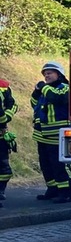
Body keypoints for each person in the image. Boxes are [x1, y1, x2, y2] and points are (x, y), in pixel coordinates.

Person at [31, 61, 71, 204]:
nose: (46, 75)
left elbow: (58, 98)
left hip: (58, 135)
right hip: (42, 135)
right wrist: (36, 92)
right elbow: (34, 104)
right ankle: (52, 189)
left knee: (59, 164)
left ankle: (66, 191)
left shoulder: (65, 88)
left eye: (50, 73)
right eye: (45, 74)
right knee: (46, 164)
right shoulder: (45, 90)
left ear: (59, 74)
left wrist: (43, 87)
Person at [0, 79, 19, 208]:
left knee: (4, 169)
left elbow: (12, 105)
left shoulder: (3, 86)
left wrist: (6, 117)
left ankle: (0, 190)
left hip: (1, 135)